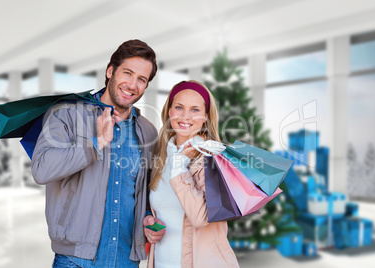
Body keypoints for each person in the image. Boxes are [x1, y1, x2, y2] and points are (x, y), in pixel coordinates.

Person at [31, 39, 164, 267]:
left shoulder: (147, 131)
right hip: (75, 259)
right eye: (127, 73)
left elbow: (141, 193)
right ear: (110, 71)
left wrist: (148, 219)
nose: (132, 85)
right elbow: (42, 169)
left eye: (141, 79)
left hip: (125, 260)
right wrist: (97, 142)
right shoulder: (66, 115)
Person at [144, 80, 240, 267]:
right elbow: (162, 210)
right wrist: (149, 222)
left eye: (195, 110)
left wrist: (180, 167)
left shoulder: (213, 158)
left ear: (206, 116)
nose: (185, 116)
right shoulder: (160, 156)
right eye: (179, 107)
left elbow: (199, 218)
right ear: (169, 111)